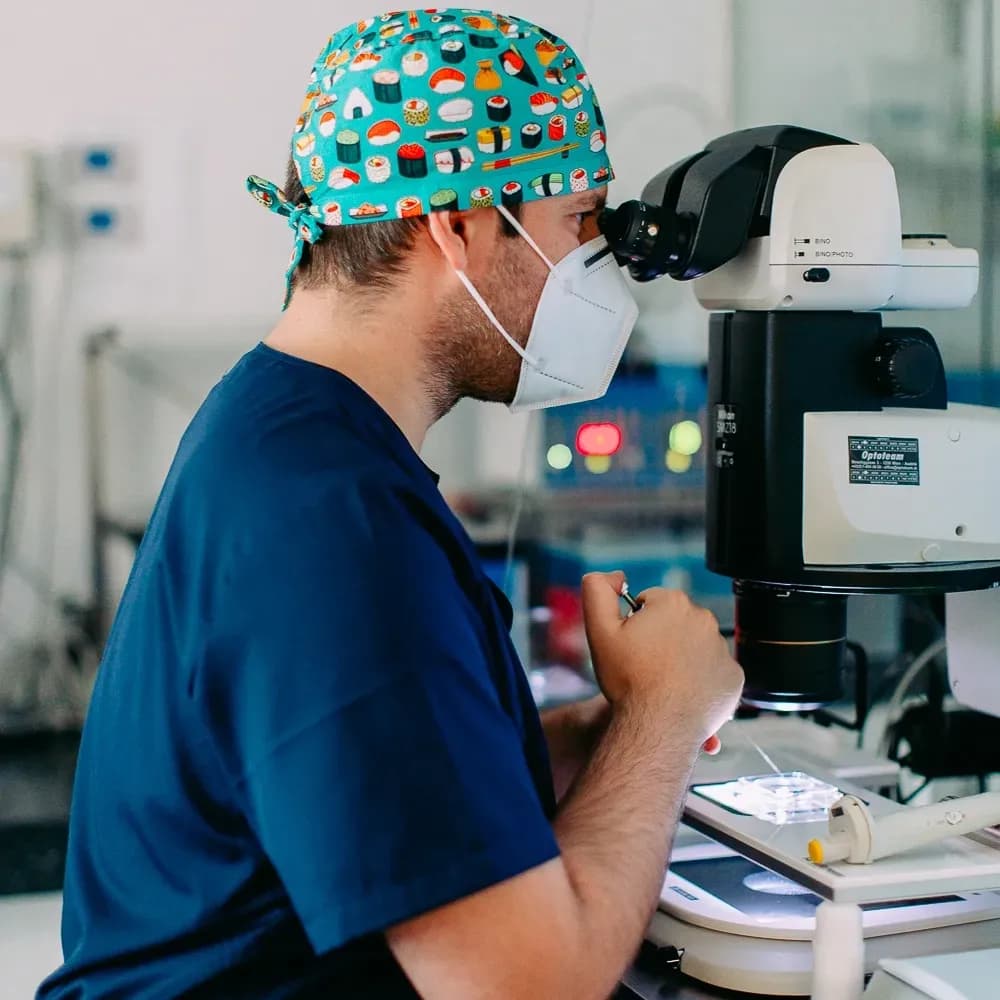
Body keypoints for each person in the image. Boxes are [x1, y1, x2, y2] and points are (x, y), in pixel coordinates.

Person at [40, 11, 743, 999]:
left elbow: (373, 785)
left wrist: (605, 729)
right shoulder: (333, 522)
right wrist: (662, 719)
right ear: (457, 225)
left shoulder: (286, 431)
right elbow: (526, 985)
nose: (600, 257)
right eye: (581, 219)